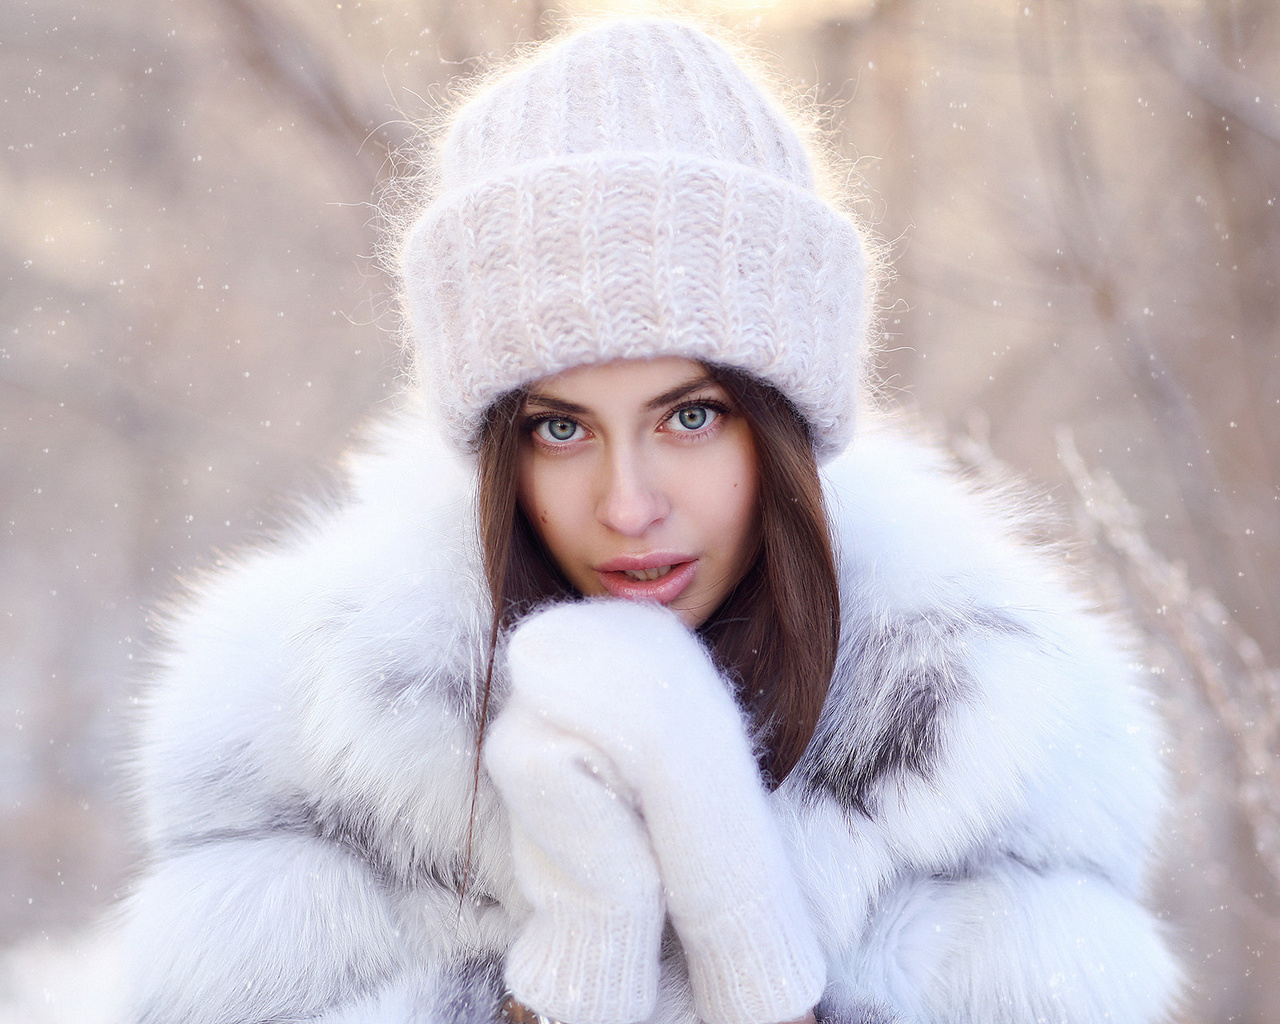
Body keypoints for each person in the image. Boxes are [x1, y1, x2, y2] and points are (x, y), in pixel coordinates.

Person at [121, 17, 1180, 1024]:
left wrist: (754, 951)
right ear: (496, 451)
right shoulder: (305, 742)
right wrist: (574, 961)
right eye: (559, 430)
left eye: (689, 415)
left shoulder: (986, 746)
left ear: (779, 430)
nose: (627, 504)